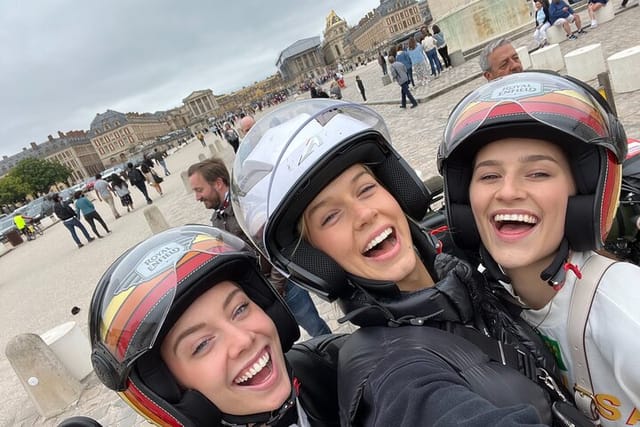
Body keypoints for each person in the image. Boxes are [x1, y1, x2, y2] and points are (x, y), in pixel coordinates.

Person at [231, 99, 588, 426]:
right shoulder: (393, 375)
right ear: (316, 258)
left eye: (366, 189)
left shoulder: (465, 266)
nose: (365, 214)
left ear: (394, 190)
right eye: (330, 217)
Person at [438, 71, 640, 426]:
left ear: (583, 197)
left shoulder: (627, 313)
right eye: (489, 176)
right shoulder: (495, 303)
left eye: (538, 173)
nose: (508, 191)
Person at [88, 225, 346, 426]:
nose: (243, 340)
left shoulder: (339, 364)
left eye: (240, 309)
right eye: (202, 344)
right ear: (171, 392)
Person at [187, 158, 331, 338]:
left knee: (316, 329)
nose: (197, 197)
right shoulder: (217, 218)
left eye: (199, 190)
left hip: (283, 287)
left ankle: (332, 354)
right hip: (260, 292)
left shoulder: (246, 206)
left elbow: (274, 245)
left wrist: (277, 286)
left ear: (218, 183)